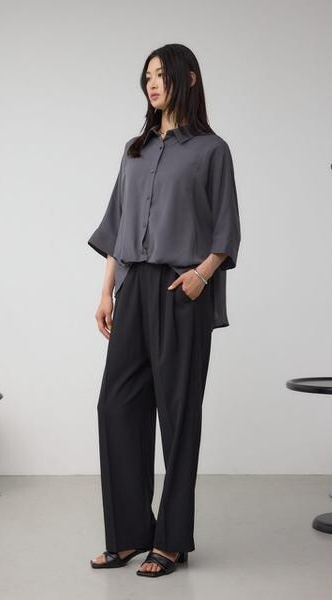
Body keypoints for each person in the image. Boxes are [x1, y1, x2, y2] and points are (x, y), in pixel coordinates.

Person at [88, 43, 241, 578]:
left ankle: (171, 541)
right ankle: (130, 533)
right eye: (147, 76)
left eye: (162, 75)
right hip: (132, 286)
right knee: (116, 406)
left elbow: (226, 228)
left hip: (182, 289)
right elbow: (117, 225)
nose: (152, 83)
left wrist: (202, 275)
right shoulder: (135, 151)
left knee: (178, 415)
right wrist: (106, 291)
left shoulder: (211, 150)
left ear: (188, 79)